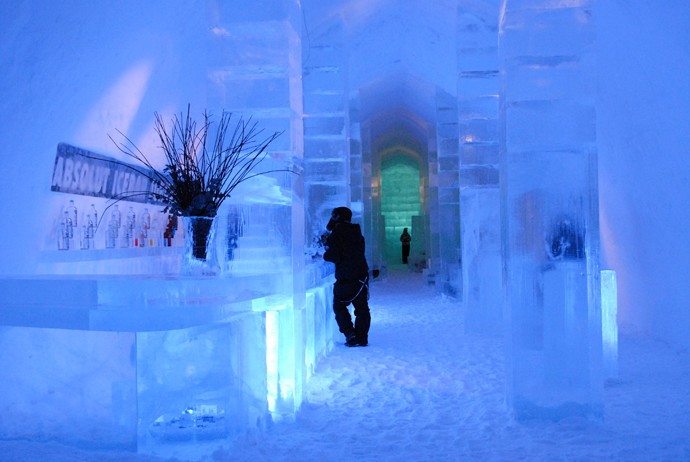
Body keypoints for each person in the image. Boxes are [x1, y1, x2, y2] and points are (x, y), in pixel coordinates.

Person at [323, 206, 370, 347]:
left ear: (337, 217)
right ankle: (362, 338)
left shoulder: (337, 234)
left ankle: (350, 334)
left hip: (345, 278)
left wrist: (324, 252)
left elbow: (334, 255)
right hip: (361, 277)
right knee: (362, 309)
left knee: (339, 307)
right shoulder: (357, 233)